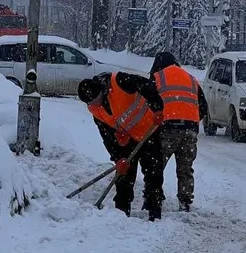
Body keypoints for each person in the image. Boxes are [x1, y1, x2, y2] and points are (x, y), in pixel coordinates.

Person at [77, 72, 166, 221]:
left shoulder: (118, 81)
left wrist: (157, 107)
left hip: (149, 130)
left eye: (95, 100)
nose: (94, 104)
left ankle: (154, 211)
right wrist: (118, 158)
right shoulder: (94, 109)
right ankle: (121, 213)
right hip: (128, 138)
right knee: (124, 175)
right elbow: (106, 136)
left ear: (101, 91)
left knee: (153, 172)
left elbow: (146, 85)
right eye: (90, 103)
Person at [149, 51, 207, 212]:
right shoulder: (191, 78)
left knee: (157, 165)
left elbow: (149, 104)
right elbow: (203, 107)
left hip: (167, 129)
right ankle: (185, 200)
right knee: (185, 167)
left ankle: (154, 197)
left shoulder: (158, 77)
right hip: (190, 130)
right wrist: (191, 120)